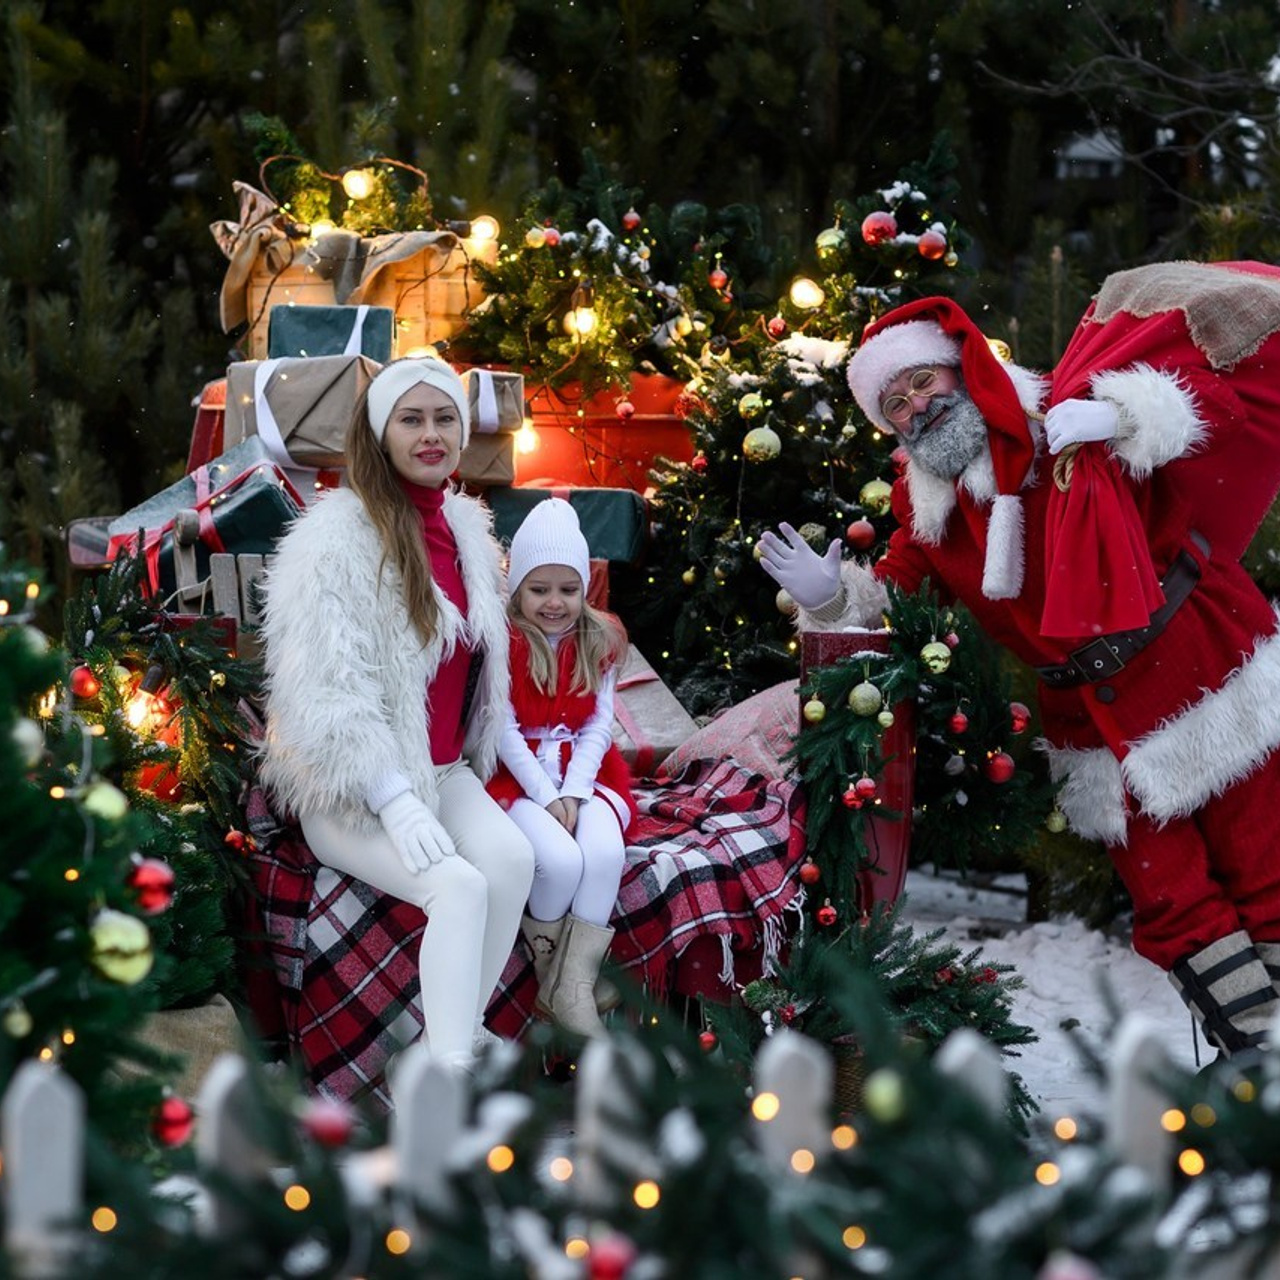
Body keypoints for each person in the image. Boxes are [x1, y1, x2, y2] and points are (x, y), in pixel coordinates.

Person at [760, 269, 1280, 1060]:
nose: (915, 407)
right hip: (1092, 709)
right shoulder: (926, 509)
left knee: (1266, 866)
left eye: (921, 382)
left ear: (960, 367)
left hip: (1201, 659)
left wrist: (1116, 416)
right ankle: (1259, 1052)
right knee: (1170, 900)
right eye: (893, 405)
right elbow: (900, 598)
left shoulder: (1064, 409)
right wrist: (833, 598)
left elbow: (1211, 411)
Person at [259, 355, 535, 1075]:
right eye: (411, 419)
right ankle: (449, 1080)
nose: (431, 434)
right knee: (459, 885)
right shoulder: (335, 542)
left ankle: (452, 1044)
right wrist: (395, 802)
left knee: (511, 861)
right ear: (381, 433)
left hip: (438, 770)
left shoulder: (467, 530)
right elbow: (324, 695)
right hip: (354, 787)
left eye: (444, 417)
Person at [485, 497, 636, 1038]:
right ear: (518, 589)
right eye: (539, 589)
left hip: (585, 773)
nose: (554, 603)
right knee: (557, 861)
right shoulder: (502, 643)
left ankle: (570, 984)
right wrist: (546, 798)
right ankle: (561, 981)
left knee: (603, 852)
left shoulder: (599, 639)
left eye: (568, 590)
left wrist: (574, 792)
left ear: (585, 589)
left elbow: (599, 725)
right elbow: (500, 731)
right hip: (520, 776)